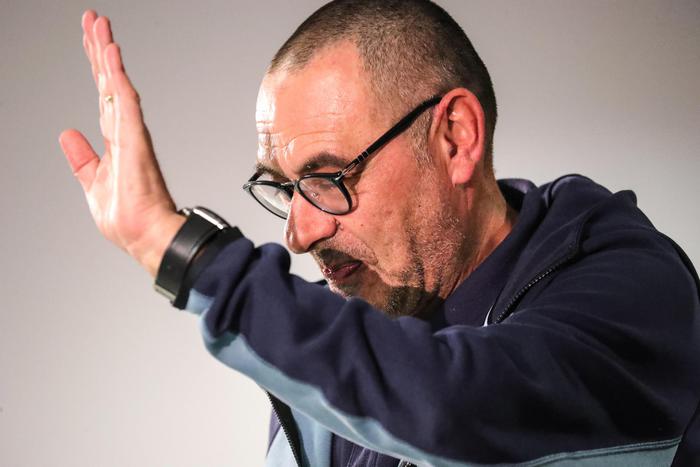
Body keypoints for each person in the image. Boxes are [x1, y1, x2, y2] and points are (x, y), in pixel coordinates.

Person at [59, 1, 700, 466]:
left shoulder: (633, 295)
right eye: (283, 188)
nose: (299, 234)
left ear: (455, 139)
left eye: (328, 176)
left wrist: (184, 254)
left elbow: (458, 407)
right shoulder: (348, 343)